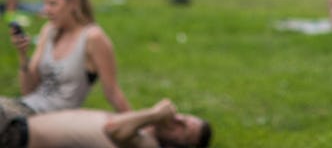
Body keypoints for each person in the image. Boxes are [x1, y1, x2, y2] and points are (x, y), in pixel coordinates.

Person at [2, 0, 131, 120]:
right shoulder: (49, 30)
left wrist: (137, 127)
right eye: (45, 3)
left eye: (53, 4)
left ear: (74, 2)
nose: (46, 10)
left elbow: (112, 92)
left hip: (51, 121)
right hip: (25, 109)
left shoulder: (93, 37)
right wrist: (23, 55)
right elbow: (28, 91)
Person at [0, 98, 211, 148]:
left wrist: (155, 113)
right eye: (186, 117)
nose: (179, 120)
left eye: (185, 129)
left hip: (16, 136)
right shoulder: (142, 131)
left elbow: (113, 129)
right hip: (19, 120)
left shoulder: (149, 145)